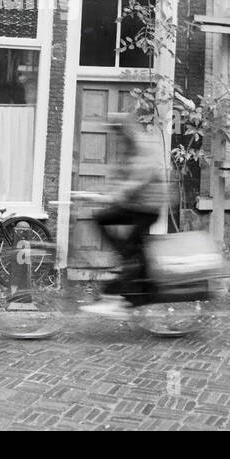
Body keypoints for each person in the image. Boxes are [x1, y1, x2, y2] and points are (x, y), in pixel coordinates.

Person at [80, 111, 170, 319]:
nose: (117, 137)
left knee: (131, 250)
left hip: (149, 208)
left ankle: (119, 299)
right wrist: (93, 193)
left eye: (119, 132)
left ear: (127, 130)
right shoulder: (126, 149)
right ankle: (129, 263)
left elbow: (138, 179)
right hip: (133, 205)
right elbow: (118, 177)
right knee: (101, 218)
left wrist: (113, 196)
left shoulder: (144, 146)